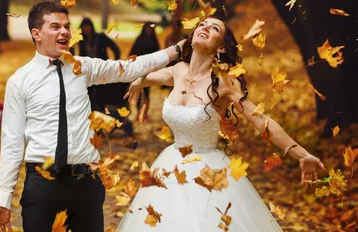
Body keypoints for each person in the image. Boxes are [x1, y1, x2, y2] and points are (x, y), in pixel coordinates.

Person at [0, 1, 185, 232]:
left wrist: (178, 49)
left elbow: (130, 68)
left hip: (86, 184)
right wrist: (2, 199)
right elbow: (12, 144)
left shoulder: (82, 67)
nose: (64, 31)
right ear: (36, 33)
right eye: (55, 26)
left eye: (67, 26)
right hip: (42, 186)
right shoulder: (20, 81)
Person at [116, 16, 326, 231]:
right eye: (202, 24)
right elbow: (151, 76)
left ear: (222, 48)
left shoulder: (225, 83)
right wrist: (137, 83)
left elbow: (261, 120)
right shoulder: (179, 70)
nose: (205, 28)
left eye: (214, 28)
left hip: (209, 174)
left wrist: (302, 154)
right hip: (169, 167)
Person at [77, 17, 132, 135]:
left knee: (102, 99)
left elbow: (115, 48)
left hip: (101, 73)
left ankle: (104, 123)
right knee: (90, 99)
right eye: (84, 26)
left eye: (88, 26)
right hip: (87, 74)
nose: (86, 29)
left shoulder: (100, 38)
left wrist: (113, 64)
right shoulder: (81, 40)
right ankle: (95, 125)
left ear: (91, 27)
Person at [128, 23, 161, 121]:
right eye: (147, 28)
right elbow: (132, 52)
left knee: (146, 93)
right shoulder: (140, 39)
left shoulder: (154, 40)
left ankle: (144, 113)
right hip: (139, 69)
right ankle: (138, 112)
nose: (149, 30)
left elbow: (158, 53)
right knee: (139, 91)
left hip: (149, 70)